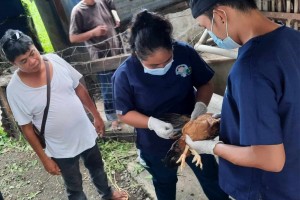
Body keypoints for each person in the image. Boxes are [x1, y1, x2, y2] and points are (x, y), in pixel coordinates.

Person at [187, 1, 300, 200]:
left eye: (206, 27)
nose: (210, 33)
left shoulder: (250, 68)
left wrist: (212, 147)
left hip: (268, 189)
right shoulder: (293, 38)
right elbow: (287, 103)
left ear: (220, 15)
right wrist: (234, 115)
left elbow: (270, 159)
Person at [112, 10, 229, 200]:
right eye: (153, 66)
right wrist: (152, 123)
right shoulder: (125, 74)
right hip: (155, 143)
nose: (162, 68)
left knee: (211, 177)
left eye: (167, 61)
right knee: (164, 183)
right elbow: (124, 113)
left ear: (172, 46)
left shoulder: (184, 53)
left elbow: (205, 82)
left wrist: (200, 105)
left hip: (194, 132)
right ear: (137, 55)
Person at [1, 29, 127, 200]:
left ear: (35, 47)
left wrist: (96, 115)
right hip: (60, 148)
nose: (33, 61)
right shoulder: (15, 90)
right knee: (74, 187)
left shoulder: (55, 60)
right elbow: (27, 128)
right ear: (13, 63)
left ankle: (107, 194)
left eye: (33, 53)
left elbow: (79, 89)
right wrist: (45, 159)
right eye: (24, 61)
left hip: (85, 133)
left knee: (97, 169)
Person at [69, 0, 122, 131]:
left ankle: (127, 113)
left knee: (122, 84)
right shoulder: (78, 11)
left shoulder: (102, 2)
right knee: (108, 89)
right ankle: (113, 120)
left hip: (116, 50)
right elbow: (73, 38)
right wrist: (93, 32)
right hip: (100, 56)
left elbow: (112, 6)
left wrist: (116, 17)